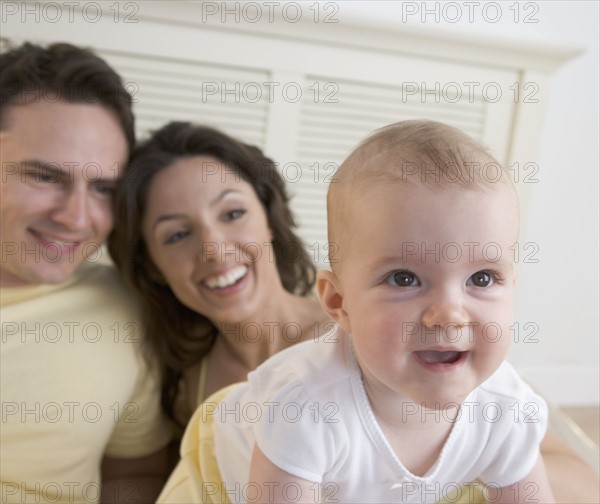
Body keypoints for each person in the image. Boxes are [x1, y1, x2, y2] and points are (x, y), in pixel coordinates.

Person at [191, 120, 557, 503]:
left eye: (481, 279)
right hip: (227, 468)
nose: (450, 315)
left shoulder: (507, 409)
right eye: (404, 278)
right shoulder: (307, 409)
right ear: (337, 302)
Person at [0, 42, 172, 503]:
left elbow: (134, 472)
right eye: (45, 176)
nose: (77, 218)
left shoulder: (124, 307)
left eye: (102, 188)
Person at [108, 121, 331, 426]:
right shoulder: (184, 382)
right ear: (152, 266)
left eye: (232, 214)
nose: (214, 249)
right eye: (177, 235)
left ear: (268, 218)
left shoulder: (354, 340)